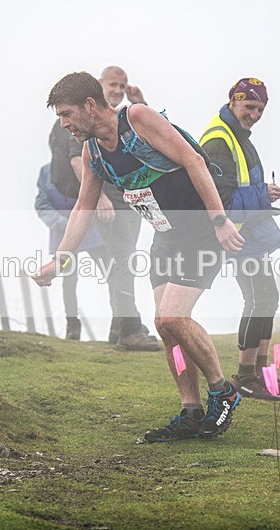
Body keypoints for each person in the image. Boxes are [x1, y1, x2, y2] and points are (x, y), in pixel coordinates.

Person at [35, 72, 244, 442]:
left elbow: (194, 160)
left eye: (66, 114)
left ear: (89, 104)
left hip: (200, 230)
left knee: (172, 316)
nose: (64, 124)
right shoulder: (93, 151)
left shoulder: (138, 120)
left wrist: (220, 221)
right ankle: (191, 411)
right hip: (165, 235)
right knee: (165, 328)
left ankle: (222, 390)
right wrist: (60, 259)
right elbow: (83, 208)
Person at [198, 78, 280, 401]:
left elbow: (241, 188)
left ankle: (265, 376)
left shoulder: (240, 136)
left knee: (269, 299)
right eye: (249, 106)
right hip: (237, 237)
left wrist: (264, 194)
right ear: (233, 101)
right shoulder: (218, 140)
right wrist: (261, 194)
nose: (254, 114)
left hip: (252, 233)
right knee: (257, 300)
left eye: (260, 109)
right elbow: (219, 199)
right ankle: (244, 376)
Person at [94, 66, 159, 350]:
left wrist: (140, 104)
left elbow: (154, 136)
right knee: (122, 264)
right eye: (113, 85)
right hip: (110, 206)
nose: (118, 90)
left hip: (132, 203)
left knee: (122, 264)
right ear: (100, 84)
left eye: (123, 85)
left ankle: (119, 327)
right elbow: (76, 162)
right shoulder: (91, 118)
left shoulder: (123, 117)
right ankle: (129, 330)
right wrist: (99, 199)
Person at [34, 161, 111, 340]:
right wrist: (64, 224)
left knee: (111, 272)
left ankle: (120, 321)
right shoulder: (46, 172)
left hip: (91, 229)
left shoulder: (83, 166)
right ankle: (72, 325)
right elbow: (41, 204)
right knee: (69, 281)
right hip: (62, 233)